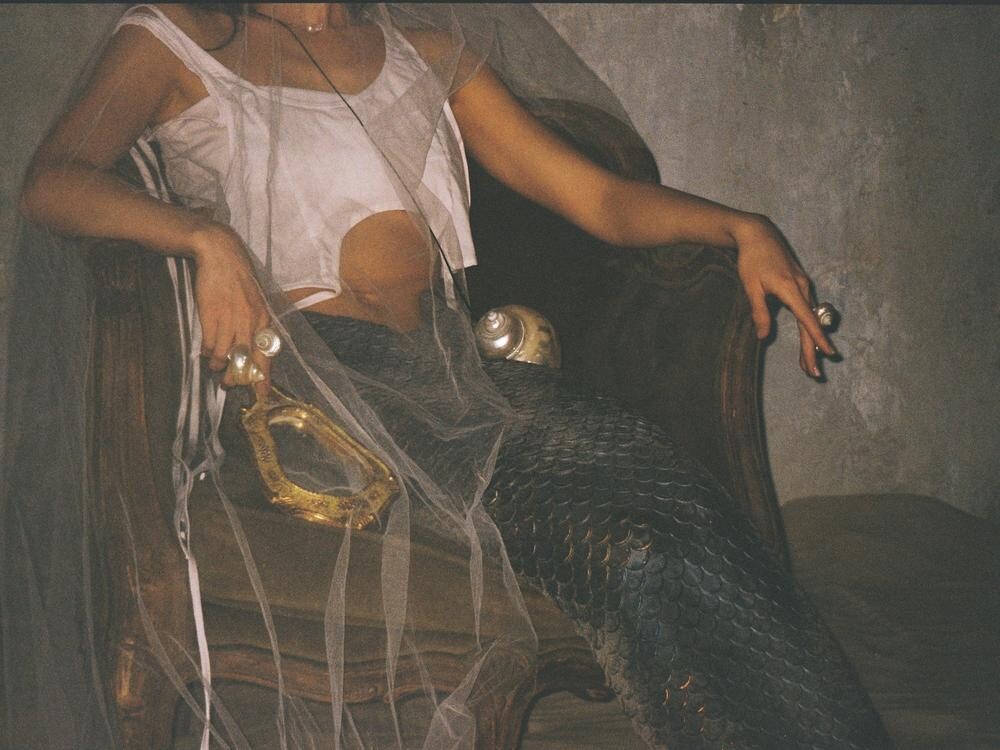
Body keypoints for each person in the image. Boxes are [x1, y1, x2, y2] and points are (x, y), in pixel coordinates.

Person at [5, 3, 889, 748]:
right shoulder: (178, 40)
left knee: (687, 506)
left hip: (456, 374)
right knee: (633, 549)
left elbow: (600, 198)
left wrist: (741, 226)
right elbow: (52, 181)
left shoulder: (424, 53)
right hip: (319, 386)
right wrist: (206, 238)